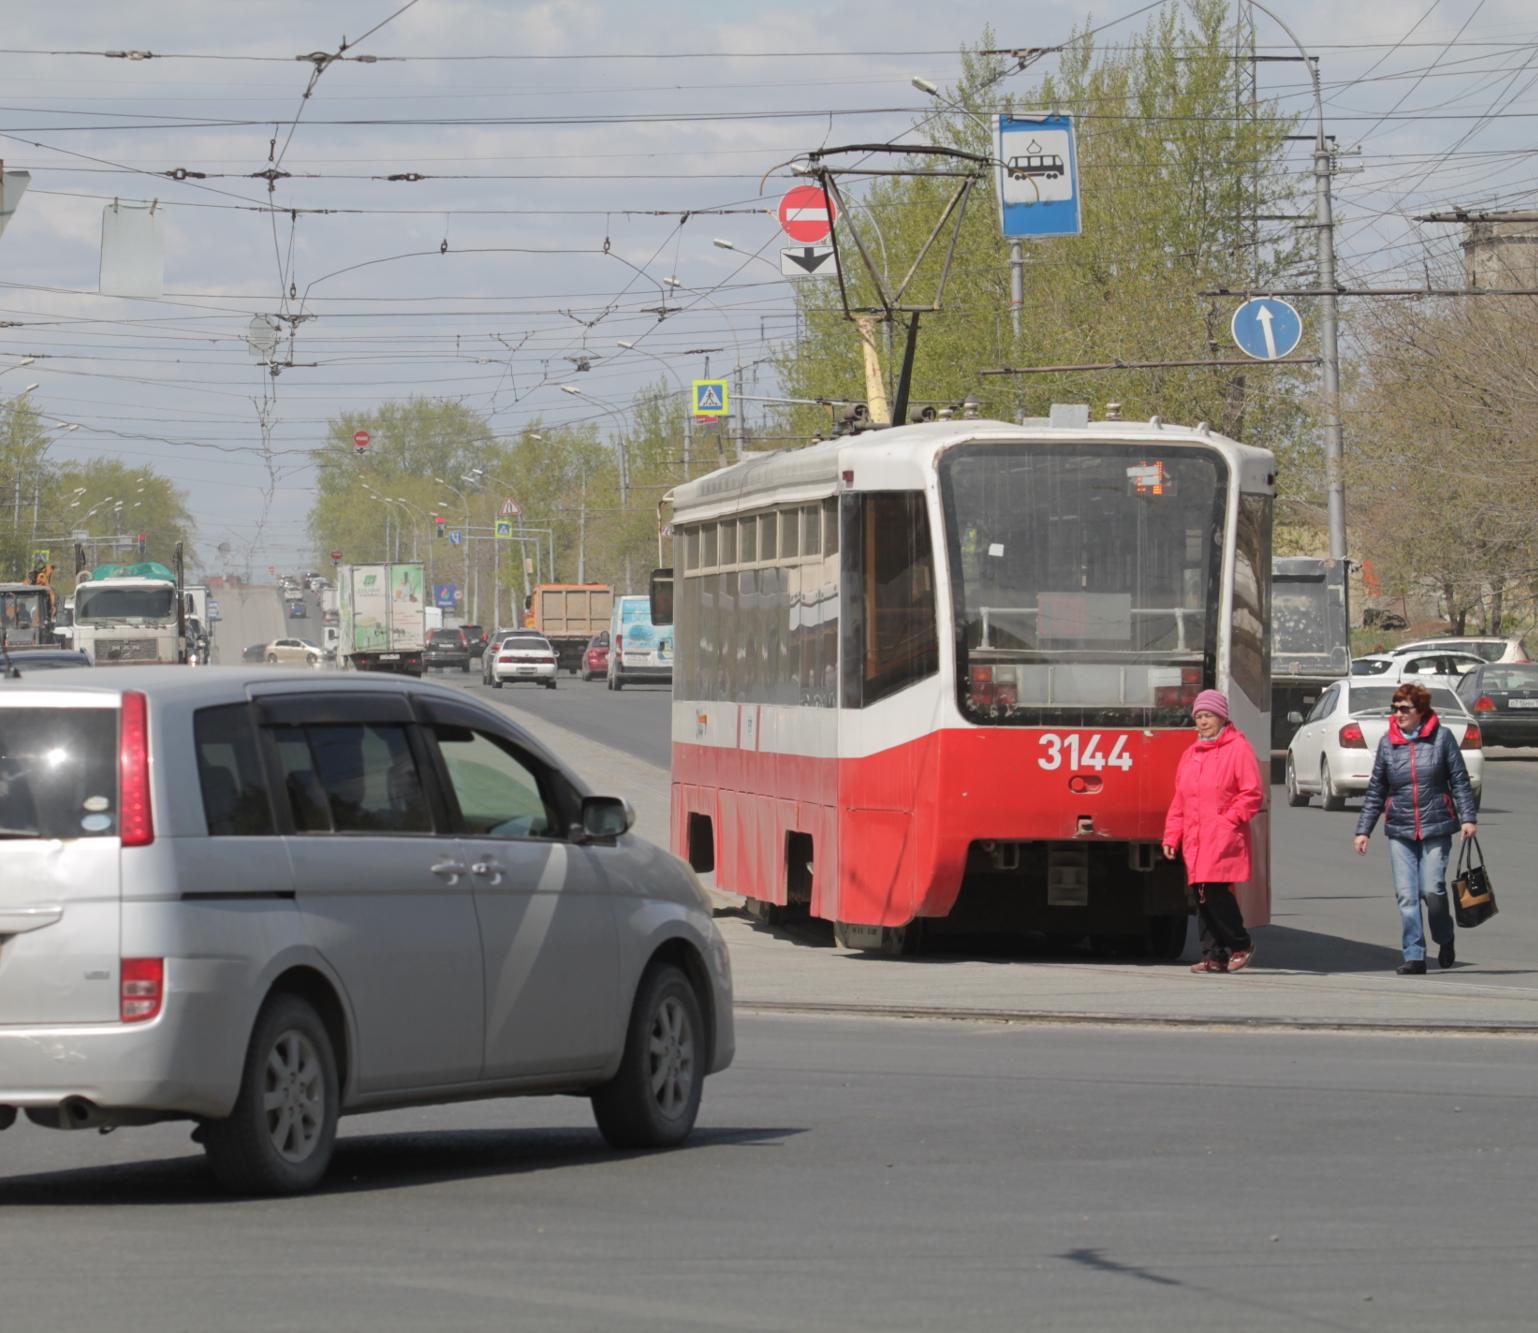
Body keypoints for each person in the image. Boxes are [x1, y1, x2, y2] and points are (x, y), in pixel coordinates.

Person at [1353, 682, 1478, 975]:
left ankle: (1445, 938)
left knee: (1432, 890)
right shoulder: (1388, 743)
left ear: (1421, 711)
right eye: (1394, 708)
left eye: (1404, 708)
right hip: (1400, 829)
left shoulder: (1442, 738)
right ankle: (1415, 955)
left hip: (1436, 826)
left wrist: (1468, 818)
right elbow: (1376, 790)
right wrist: (1363, 830)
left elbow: (1459, 780)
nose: (1398, 714)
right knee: (1407, 895)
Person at [1162, 688, 1264, 974]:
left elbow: (1252, 793)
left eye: (1209, 716)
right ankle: (1214, 955)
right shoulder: (1192, 754)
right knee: (1200, 895)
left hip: (1221, 835)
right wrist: (1172, 836)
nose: (1203, 722)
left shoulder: (1238, 748)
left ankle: (1240, 943)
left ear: (1222, 717)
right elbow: (1180, 800)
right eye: (1199, 716)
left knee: (1213, 892)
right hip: (1195, 837)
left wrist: (1229, 819)